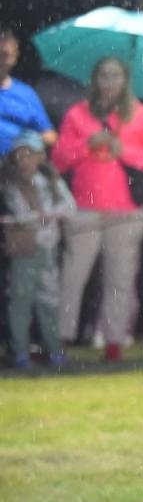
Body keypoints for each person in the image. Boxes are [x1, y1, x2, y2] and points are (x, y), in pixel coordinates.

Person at [52, 54, 143, 361]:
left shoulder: (140, 115)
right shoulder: (77, 114)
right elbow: (58, 159)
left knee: (120, 279)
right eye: (103, 75)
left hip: (126, 212)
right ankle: (60, 342)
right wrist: (85, 145)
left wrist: (126, 151)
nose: (109, 82)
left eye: (115, 76)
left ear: (125, 80)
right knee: (72, 277)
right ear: (94, 79)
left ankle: (114, 344)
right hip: (84, 210)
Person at [2, 131, 74, 368]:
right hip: (25, 250)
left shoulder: (51, 181)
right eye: (20, 155)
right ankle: (20, 352)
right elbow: (22, 216)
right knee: (21, 301)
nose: (24, 160)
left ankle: (54, 350)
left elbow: (69, 206)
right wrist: (44, 216)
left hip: (49, 249)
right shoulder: (11, 185)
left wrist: (49, 215)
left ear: (40, 157)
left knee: (49, 301)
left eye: (29, 154)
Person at [0, 26, 55, 156]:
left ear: (15, 57)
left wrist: (28, 141)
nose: (0, 61)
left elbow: (50, 136)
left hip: (17, 168)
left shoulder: (26, 94)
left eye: (5, 55)